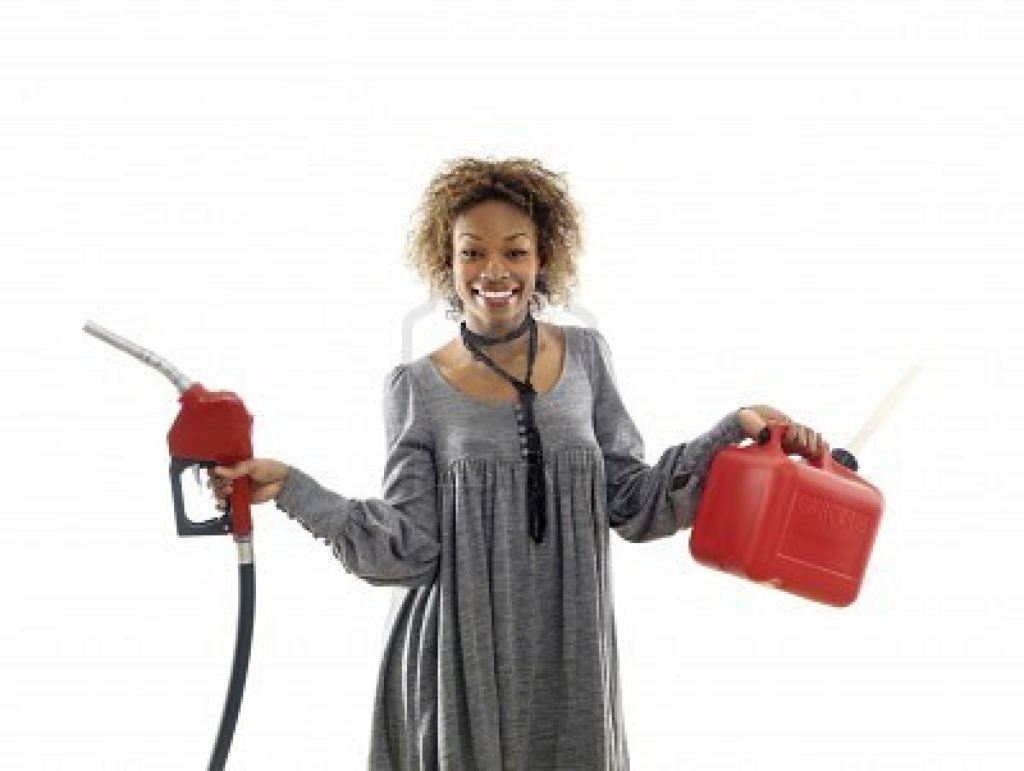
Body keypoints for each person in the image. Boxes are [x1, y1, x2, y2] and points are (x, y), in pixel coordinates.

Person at [209, 157, 828, 770]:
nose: (494, 271)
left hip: (572, 666)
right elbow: (408, 548)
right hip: (460, 670)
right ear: (448, 263)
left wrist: (735, 426)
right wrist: (293, 489)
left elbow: (635, 503)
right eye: (472, 253)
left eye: (515, 251)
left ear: (542, 258)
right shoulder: (415, 387)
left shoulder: (586, 357)